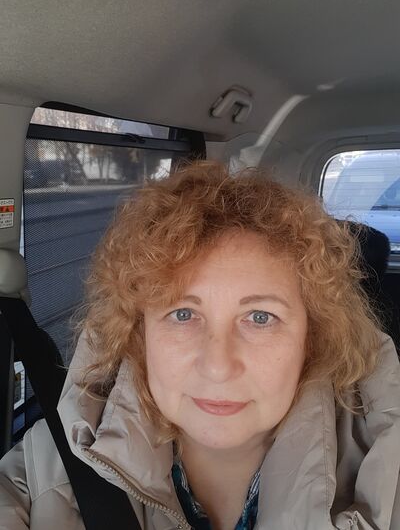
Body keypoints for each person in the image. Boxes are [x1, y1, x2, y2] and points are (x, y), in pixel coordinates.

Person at [1, 161, 400, 530]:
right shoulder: (45, 470)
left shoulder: (385, 476)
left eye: (260, 317)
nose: (217, 367)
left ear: (313, 339)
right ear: (138, 336)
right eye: (182, 314)